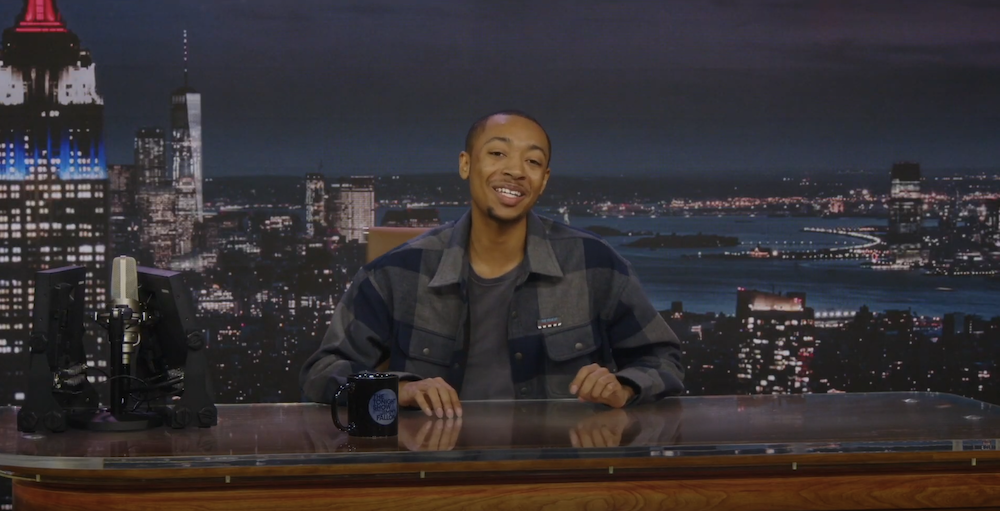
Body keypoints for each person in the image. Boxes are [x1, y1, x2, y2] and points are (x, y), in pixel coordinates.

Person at [300, 110, 684, 417]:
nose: (515, 171)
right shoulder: (394, 274)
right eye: (498, 153)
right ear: (466, 165)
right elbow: (322, 374)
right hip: (433, 476)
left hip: (560, 474)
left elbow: (662, 358)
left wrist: (625, 387)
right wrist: (400, 390)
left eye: (532, 161)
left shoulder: (595, 264)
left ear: (543, 180)